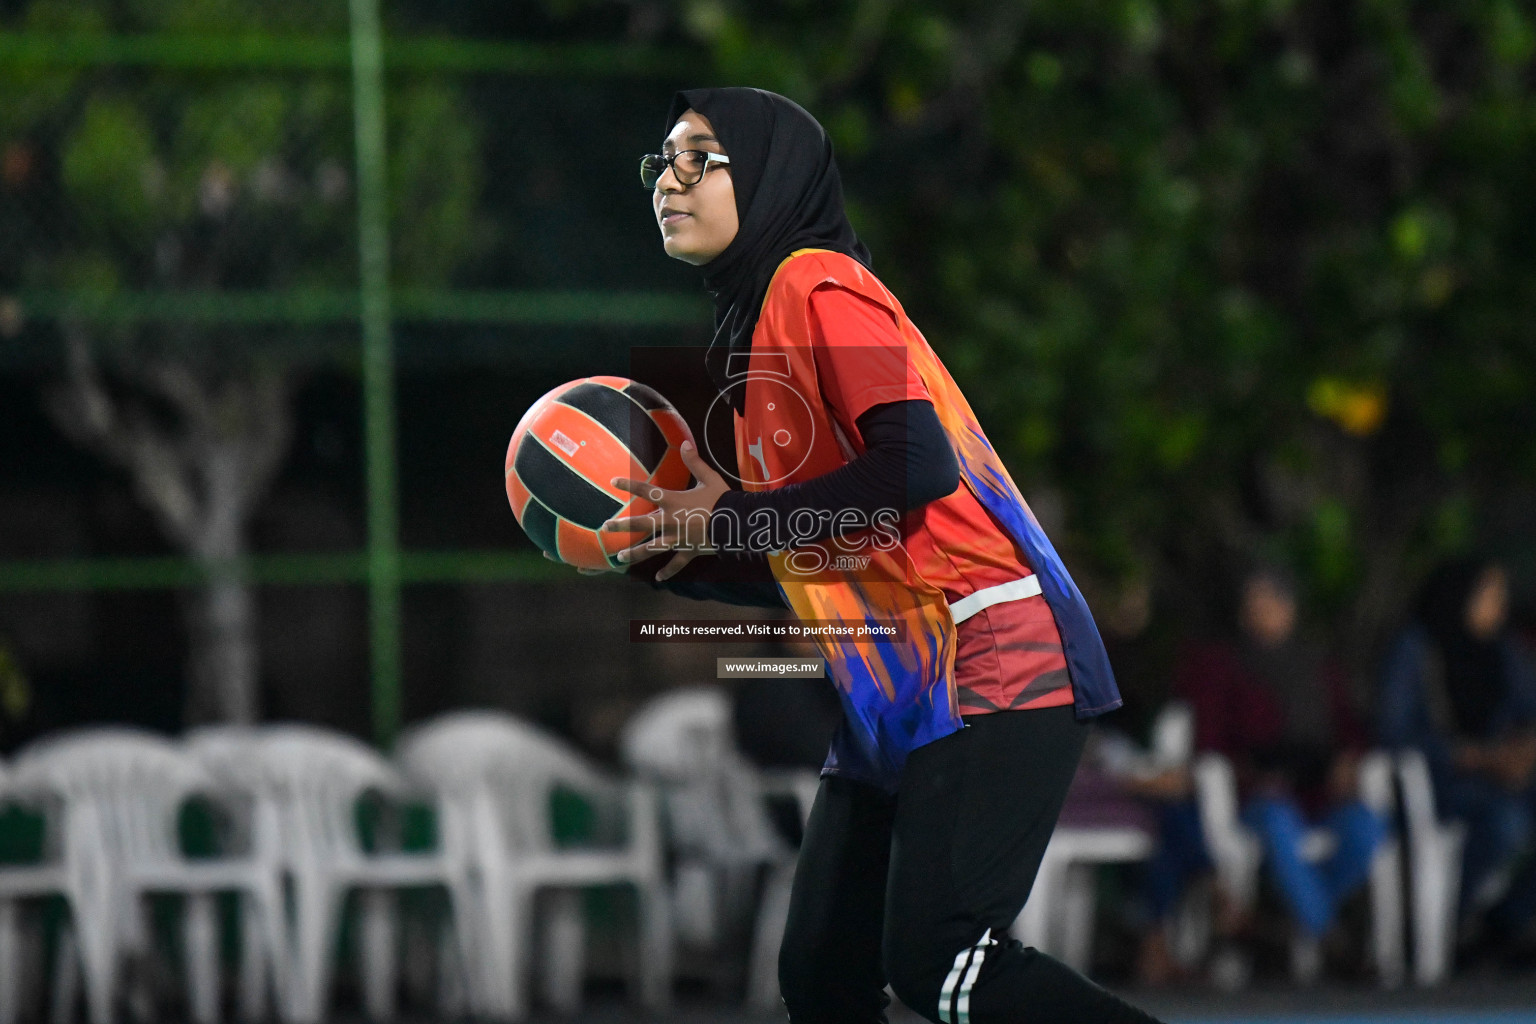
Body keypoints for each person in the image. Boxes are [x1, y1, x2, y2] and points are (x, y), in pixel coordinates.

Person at [559, 87, 1163, 1023]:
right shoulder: (758, 335)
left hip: (988, 657)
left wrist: (732, 524)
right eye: (660, 164)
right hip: (896, 683)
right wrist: (685, 551)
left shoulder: (815, 280)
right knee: (823, 974)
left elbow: (914, 464)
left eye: (696, 159)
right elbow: (830, 546)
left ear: (766, 177)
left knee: (940, 960)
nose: (666, 182)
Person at [1175, 565, 1384, 971]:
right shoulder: (1225, 665)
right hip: (1260, 792)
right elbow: (1211, 742)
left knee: (1366, 827)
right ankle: (1329, 938)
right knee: (1277, 822)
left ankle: (1286, 919)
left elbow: (1351, 727)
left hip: (1319, 790)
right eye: (1252, 604)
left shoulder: (1317, 664)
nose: (1260, 612)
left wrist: (1348, 761)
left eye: (1270, 602)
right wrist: (1251, 775)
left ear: (1289, 607)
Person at [1377, 557, 1536, 960]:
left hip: (1503, 776)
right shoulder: (1418, 648)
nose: (1498, 606)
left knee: (1515, 809)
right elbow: (1395, 733)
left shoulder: (1504, 651)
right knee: (1507, 822)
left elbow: (1529, 711)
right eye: (1489, 595)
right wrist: (1472, 756)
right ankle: (1449, 920)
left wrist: (1522, 753)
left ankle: (1503, 923)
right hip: (1441, 782)